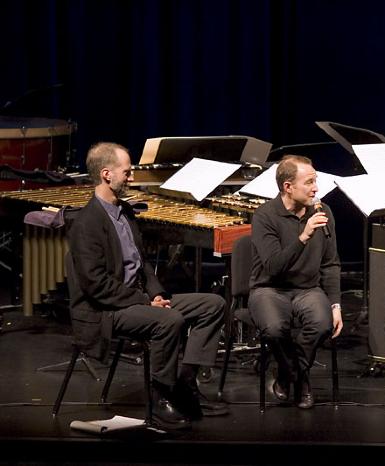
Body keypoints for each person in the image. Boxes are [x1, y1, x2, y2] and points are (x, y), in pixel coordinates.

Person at [67, 142, 228, 429]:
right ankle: (159, 396)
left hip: (137, 299)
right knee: (169, 320)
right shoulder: (87, 223)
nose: (131, 179)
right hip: (106, 309)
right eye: (127, 173)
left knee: (213, 305)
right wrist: (144, 300)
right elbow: (96, 285)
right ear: (106, 174)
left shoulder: (125, 212)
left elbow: (142, 264)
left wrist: (156, 293)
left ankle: (185, 382)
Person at [248, 155, 343, 409]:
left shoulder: (323, 212)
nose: (316, 188)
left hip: (307, 289)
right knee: (274, 328)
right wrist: (303, 236)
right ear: (288, 187)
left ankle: (286, 374)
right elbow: (273, 266)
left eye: (316, 181)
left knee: (322, 324)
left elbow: (330, 263)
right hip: (269, 288)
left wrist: (335, 305)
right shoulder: (265, 216)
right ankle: (301, 378)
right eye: (309, 182)